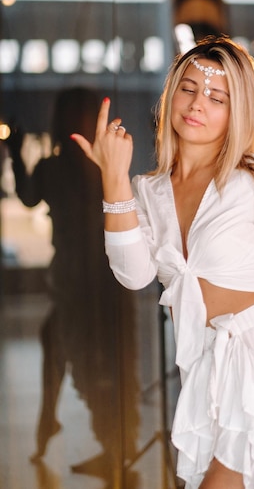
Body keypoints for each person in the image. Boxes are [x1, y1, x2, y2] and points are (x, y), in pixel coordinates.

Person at [72, 36, 254, 489]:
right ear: (172, 94)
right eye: (188, 88)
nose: (197, 104)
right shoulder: (148, 191)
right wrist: (114, 181)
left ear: (238, 112)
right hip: (203, 376)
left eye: (217, 97)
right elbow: (134, 276)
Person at [7, 87, 139, 481]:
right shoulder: (98, 167)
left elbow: (28, 197)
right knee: (95, 357)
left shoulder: (55, 167)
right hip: (105, 276)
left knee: (84, 357)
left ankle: (97, 442)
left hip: (74, 278)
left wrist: (15, 152)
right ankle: (110, 443)